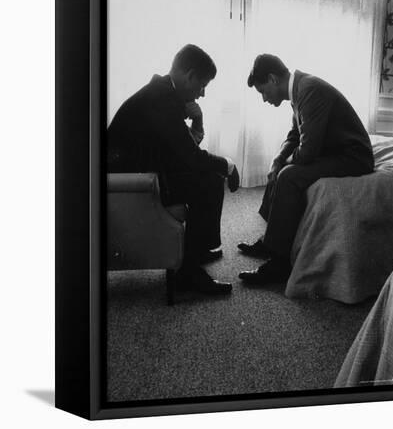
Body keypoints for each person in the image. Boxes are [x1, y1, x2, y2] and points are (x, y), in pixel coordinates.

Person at [108, 44, 240, 295]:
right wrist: (228, 165)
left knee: (208, 177)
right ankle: (188, 273)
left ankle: (197, 251)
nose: (202, 94)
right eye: (202, 86)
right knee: (210, 182)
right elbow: (190, 156)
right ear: (189, 76)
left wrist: (198, 121)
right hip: (132, 187)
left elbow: (180, 150)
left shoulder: (162, 93)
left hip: (140, 176)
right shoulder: (162, 100)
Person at [238, 54, 374, 285]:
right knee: (280, 167)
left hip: (353, 157)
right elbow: (295, 136)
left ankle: (280, 263)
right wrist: (278, 159)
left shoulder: (309, 90)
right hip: (334, 150)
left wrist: (285, 164)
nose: (263, 99)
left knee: (289, 176)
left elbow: (308, 151)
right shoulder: (299, 90)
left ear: (272, 79)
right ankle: (270, 241)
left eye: (263, 92)